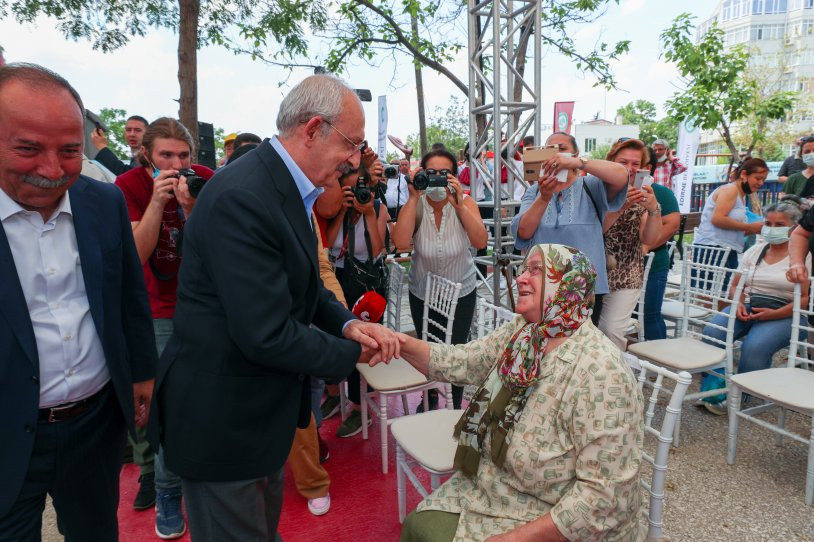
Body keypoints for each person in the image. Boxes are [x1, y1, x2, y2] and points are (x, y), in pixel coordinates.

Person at [152, 74, 399, 542]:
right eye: (352, 144)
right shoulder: (245, 196)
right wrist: (356, 358)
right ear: (312, 129)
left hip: (257, 416)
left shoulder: (284, 187)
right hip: (222, 421)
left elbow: (308, 287)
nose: (355, 160)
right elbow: (264, 332)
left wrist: (348, 326)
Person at [392, 244, 645, 541]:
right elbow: (464, 362)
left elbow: (604, 499)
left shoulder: (600, 370)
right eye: (524, 269)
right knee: (416, 525)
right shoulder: (525, 333)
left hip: (556, 518)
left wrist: (512, 539)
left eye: (536, 270)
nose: (520, 278)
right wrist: (399, 343)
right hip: (499, 488)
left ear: (569, 285)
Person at [0, 63, 157, 540]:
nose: (52, 170)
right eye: (28, 148)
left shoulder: (103, 203)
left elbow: (130, 294)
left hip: (94, 425)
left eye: (70, 151)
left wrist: (143, 373)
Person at [114, 117, 213, 537]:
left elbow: (216, 251)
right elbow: (134, 259)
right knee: (167, 407)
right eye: (166, 156)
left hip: (206, 309)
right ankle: (169, 490)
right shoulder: (129, 186)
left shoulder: (206, 180)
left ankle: (202, 483)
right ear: (146, 156)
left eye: (184, 155)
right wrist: (157, 203)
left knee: (207, 400)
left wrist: (191, 208)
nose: (177, 164)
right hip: (157, 311)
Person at [391, 149, 488, 411]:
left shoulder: (465, 203)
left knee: (457, 353)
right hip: (422, 291)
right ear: (420, 175)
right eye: (430, 173)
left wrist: (459, 206)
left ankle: (454, 405)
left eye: (443, 174)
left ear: (455, 177)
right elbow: (400, 243)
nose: (436, 180)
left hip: (462, 292)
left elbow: (480, 242)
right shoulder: (416, 205)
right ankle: (430, 396)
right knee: (429, 350)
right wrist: (413, 198)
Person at [697, 201, 809, 415]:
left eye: (779, 224)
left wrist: (774, 314)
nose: (772, 228)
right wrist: (737, 303)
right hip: (749, 306)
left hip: (786, 313)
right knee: (713, 332)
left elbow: (803, 299)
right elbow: (734, 285)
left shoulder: (802, 257)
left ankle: (740, 397)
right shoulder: (755, 250)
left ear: (794, 228)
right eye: (768, 223)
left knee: (755, 345)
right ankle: (715, 389)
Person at [511, 131, 628, 325]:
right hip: (542, 289)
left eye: (562, 149)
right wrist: (544, 197)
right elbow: (523, 231)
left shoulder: (590, 186)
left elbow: (621, 175)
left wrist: (580, 163)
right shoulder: (535, 191)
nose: (555, 155)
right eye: (550, 149)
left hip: (584, 290)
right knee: (542, 342)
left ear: (575, 154)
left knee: (580, 347)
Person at [325, 166, 390, 437]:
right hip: (339, 279)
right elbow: (327, 245)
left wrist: (370, 213)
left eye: (360, 188)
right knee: (333, 337)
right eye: (349, 189)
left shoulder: (377, 207)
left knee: (361, 344)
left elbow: (377, 251)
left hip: (367, 285)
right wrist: (342, 210)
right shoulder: (333, 210)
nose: (358, 194)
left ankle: (357, 406)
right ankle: (332, 395)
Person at [599, 139, 662, 350]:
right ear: (611, 162)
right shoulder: (596, 188)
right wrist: (622, 205)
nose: (629, 168)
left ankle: (614, 379)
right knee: (588, 330)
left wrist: (653, 209)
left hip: (627, 273)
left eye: (636, 163)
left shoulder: (643, 193)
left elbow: (649, 239)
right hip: (592, 272)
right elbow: (597, 229)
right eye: (623, 161)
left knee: (611, 331)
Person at [693, 158, 767, 288]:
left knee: (721, 296)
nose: (761, 183)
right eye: (758, 178)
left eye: (763, 179)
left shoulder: (740, 195)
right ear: (744, 174)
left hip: (724, 250)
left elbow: (733, 229)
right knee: (712, 298)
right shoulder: (730, 190)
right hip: (713, 250)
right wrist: (750, 226)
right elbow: (717, 219)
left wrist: (756, 229)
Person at [641, 177, 681, 341]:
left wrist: (647, 246)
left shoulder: (662, 193)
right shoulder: (611, 189)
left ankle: (656, 362)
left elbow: (672, 225)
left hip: (654, 265)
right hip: (621, 267)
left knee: (649, 315)